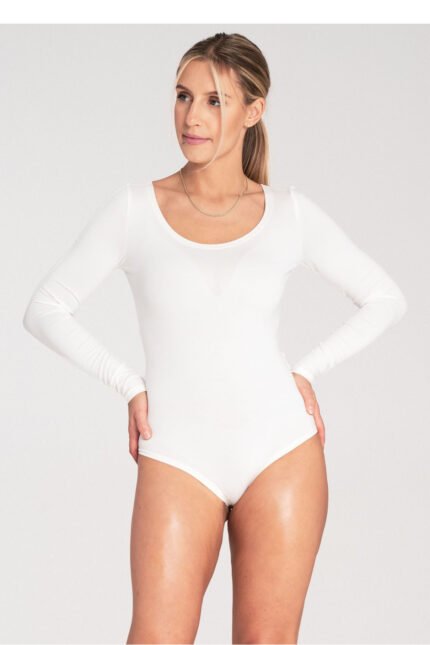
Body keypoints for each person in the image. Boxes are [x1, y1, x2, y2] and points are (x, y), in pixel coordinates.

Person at [22, 32, 407, 645]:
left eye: (214, 101)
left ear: (254, 111)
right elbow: (44, 309)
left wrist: (306, 371)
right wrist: (128, 385)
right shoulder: (136, 209)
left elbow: (386, 298)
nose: (191, 117)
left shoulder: (289, 214)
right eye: (182, 96)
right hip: (178, 453)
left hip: (280, 450)